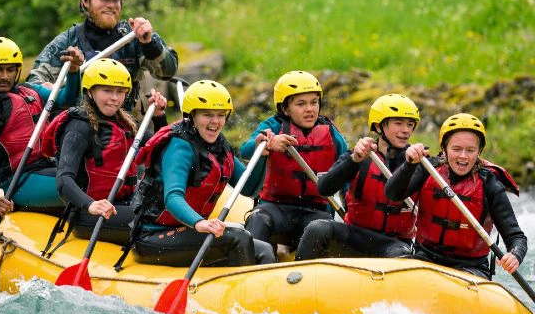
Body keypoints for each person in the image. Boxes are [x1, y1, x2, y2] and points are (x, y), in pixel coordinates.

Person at [130, 80, 274, 267]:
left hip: (189, 230)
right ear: (193, 116)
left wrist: (261, 156)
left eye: (221, 115)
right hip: (153, 236)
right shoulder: (180, 147)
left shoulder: (219, 146)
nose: (215, 121)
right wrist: (199, 223)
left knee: (265, 251)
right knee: (238, 238)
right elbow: (173, 197)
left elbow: (249, 188)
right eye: (207, 115)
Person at [41, 58, 168, 246]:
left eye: (120, 92)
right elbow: (64, 180)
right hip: (89, 214)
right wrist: (91, 204)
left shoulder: (124, 123)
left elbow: (160, 150)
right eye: (107, 91)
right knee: (158, 216)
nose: (114, 98)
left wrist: (159, 116)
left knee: (168, 209)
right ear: (90, 92)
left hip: (124, 203)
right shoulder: (78, 126)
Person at [385, 113, 527, 279]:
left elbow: (516, 237)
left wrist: (515, 255)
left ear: (479, 151)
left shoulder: (490, 184)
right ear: (444, 149)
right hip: (425, 258)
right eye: (456, 149)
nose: (463, 156)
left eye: (470, 150)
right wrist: (409, 165)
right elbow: (392, 194)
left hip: (471, 268)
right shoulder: (428, 169)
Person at [27, 0, 178, 112]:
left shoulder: (135, 37)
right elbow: (31, 86)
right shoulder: (66, 41)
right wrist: (46, 90)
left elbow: (167, 72)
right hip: (78, 126)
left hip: (126, 128)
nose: (111, 5)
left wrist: (149, 44)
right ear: (85, 0)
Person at [0, 37, 83, 217]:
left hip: (53, 167)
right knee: (88, 185)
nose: (5, 76)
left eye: (10, 70)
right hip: (21, 181)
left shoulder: (30, 91)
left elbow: (67, 99)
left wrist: (74, 71)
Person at [296, 94, 420, 260]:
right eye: (398, 123)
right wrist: (354, 160)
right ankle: (298, 279)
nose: (406, 130)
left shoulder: (418, 164)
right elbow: (324, 188)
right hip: (355, 235)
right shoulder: (359, 156)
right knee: (317, 228)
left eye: (410, 125)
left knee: (401, 254)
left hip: (394, 244)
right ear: (378, 126)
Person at [242, 70, 349, 262]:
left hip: (316, 212)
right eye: (301, 104)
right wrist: (266, 143)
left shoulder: (331, 133)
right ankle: (249, 269)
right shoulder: (273, 127)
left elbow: (347, 175)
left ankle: (302, 277)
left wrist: (350, 214)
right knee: (258, 218)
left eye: (314, 102)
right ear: (285, 109)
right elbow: (246, 149)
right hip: (275, 209)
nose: (310, 109)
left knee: (321, 228)